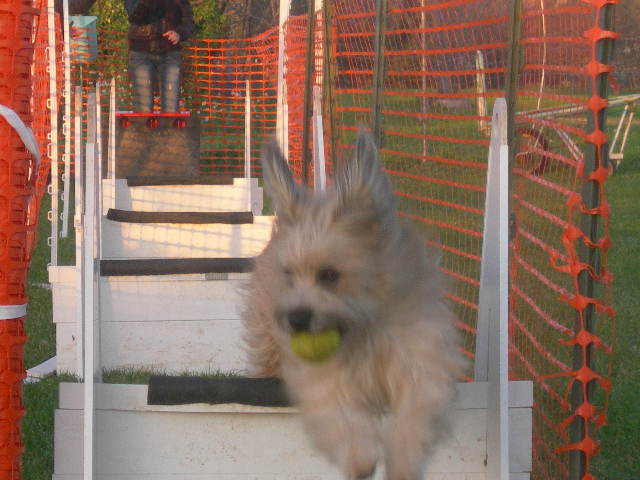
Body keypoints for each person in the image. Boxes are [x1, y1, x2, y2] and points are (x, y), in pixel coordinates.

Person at [125, 0, 196, 113]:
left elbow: (189, 23)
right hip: (141, 53)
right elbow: (134, 16)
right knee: (143, 111)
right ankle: (144, 130)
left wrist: (179, 33)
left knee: (171, 111)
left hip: (170, 54)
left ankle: (169, 130)